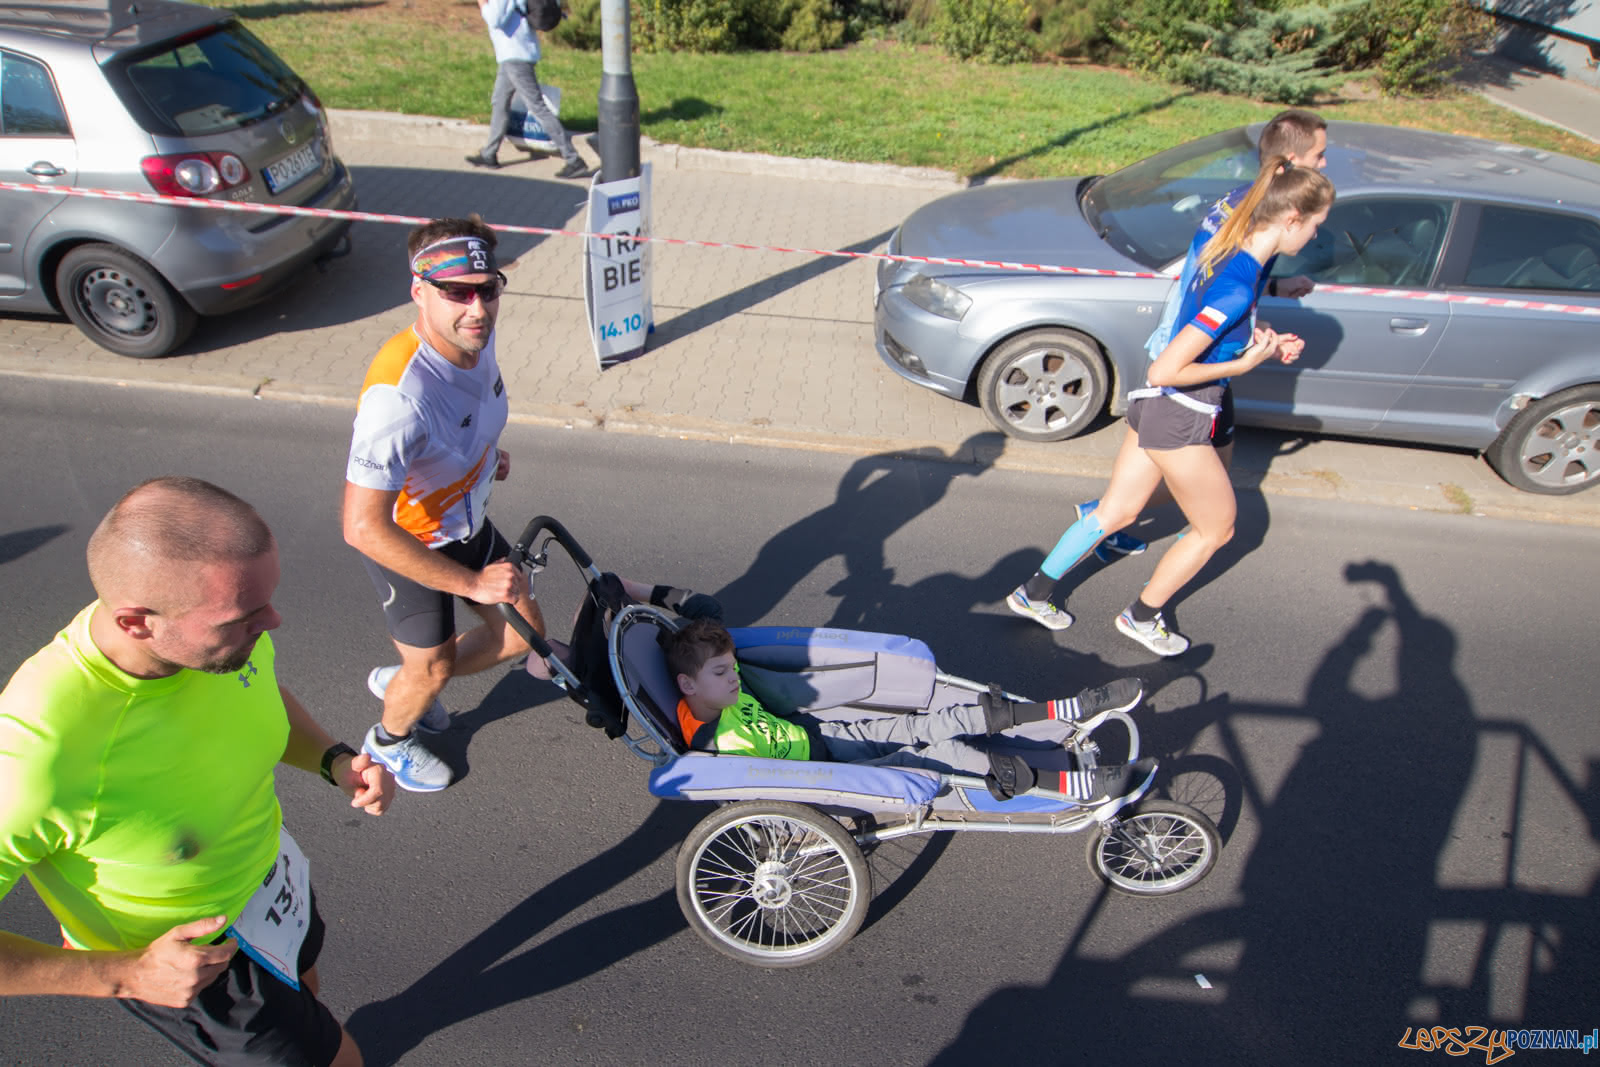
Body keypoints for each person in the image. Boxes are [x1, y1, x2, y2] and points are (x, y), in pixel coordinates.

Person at [0, 477, 396, 1067]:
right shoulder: (37, 752)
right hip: (197, 968)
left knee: (309, 995)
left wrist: (331, 759)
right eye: (245, 616)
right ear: (138, 623)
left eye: (268, 600)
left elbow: (261, 695)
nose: (274, 622)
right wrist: (129, 976)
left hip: (272, 885)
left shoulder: (220, 639)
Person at [1006, 157, 1336, 656]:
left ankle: (1034, 593)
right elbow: (1171, 368)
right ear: (1292, 219)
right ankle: (1142, 615)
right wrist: (1242, 367)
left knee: (1117, 510)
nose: (1314, 237)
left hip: (1154, 404)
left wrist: (1263, 341)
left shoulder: (1232, 249)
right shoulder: (1237, 284)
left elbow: (1217, 328)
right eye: (1315, 226)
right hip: (1180, 410)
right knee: (1217, 529)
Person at [1071, 109, 1331, 566]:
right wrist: (1247, 356)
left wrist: (1275, 291)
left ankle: (1112, 521)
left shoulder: (1239, 201)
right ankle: (1108, 523)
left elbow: (1222, 279)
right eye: (1321, 155)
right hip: (1190, 358)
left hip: (1201, 354)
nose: (1326, 164)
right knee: (1195, 491)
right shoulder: (1258, 216)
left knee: (1205, 473)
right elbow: (1226, 290)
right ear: (1292, 161)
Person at [343, 215, 543, 792]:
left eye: (486, 290)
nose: (476, 309)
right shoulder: (396, 398)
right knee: (430, 669)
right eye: (455, 293)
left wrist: (486, 453)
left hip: (466, 520)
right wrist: (472, 586)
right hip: (410, 543)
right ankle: (388, 741)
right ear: (418, 291)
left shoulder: (474, 334)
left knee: (520, 633)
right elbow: (362, 527)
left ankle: (407, 679)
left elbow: (466, 416)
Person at [663, 619, 1155, 804]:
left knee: (926, 724)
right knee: (938, 752)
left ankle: (1064, 708)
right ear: (687, 685)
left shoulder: (726, 688)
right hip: (825, 770)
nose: (733, 678)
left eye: (732, 669)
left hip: (825, 732)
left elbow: (705, 620)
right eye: (721, 674)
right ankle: (1076, 787)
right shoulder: (702, 728)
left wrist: (659, 602)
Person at [464, 0, 591, 178]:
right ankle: (489, 153)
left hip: (515, 55)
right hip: (512, 54)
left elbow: (495, 19)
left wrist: (482, 3)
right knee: (499, 100)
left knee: (537, 107)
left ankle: (573, 159)